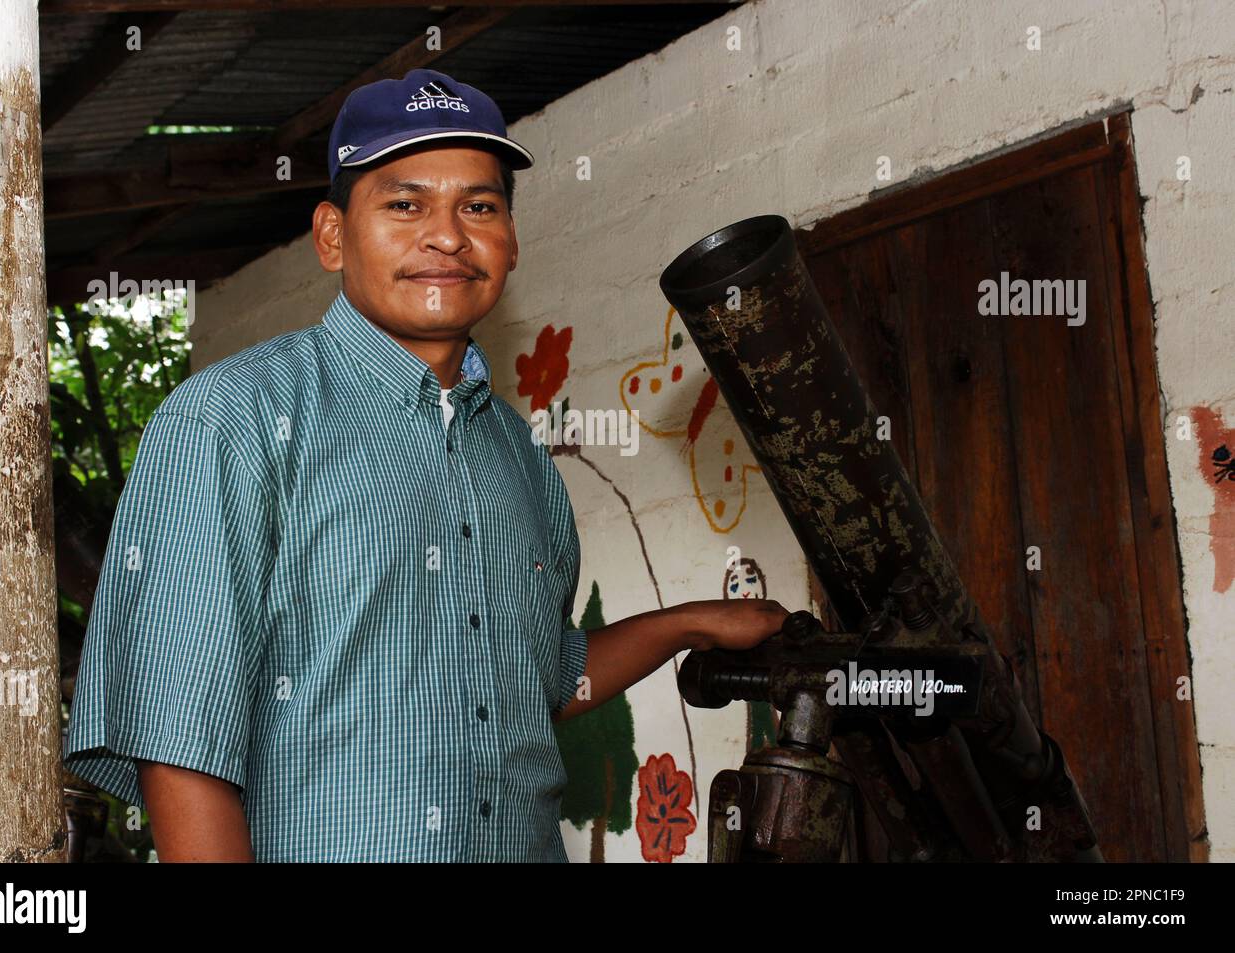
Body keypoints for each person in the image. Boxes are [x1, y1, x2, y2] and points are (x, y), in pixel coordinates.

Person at [62, 68, 789, 862]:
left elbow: (541, 681)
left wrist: (688, 623)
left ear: (510, 240)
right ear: (333, 235)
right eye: (405, 204)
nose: (447, 235)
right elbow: (180, 747)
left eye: (478, 206)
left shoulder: (521, 458)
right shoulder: (229, 423)